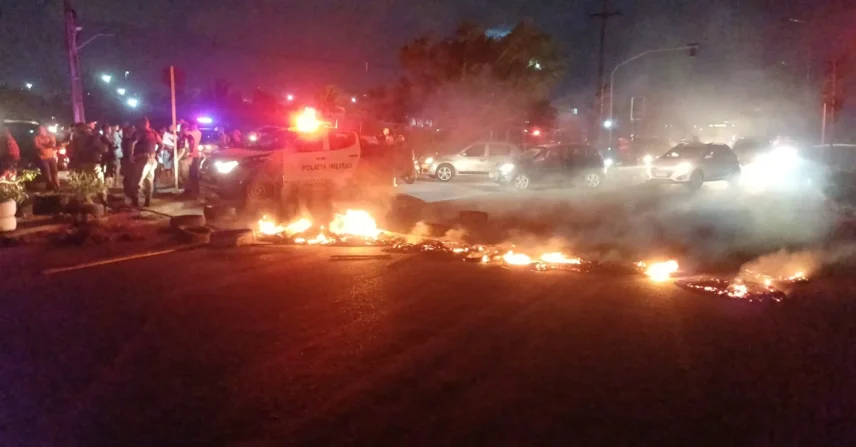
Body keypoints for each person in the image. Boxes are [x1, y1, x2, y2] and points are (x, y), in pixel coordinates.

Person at [128, 117, 162, 207]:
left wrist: (130, 155)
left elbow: (132, 143)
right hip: (152, 159)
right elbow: (162, 144)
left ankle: (135, 202)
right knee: (149, 180)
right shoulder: (154, 133)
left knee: (137, 181)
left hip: (143, 159)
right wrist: (157, 153)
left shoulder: (139, 132)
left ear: (141, 123)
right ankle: (148, 201)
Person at [34, 125, 59, 190]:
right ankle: (51, 186)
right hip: (43, 158)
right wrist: (47, 145)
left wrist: (43, 145)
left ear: (45, 130)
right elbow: (37, 146)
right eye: (39, 130)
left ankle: (57, 185)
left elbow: (53, 144)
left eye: (42, 129)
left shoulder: (50, 136)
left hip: (51, 156)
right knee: (47, 173)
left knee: (55, 172)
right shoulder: (37, 138)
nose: (40, 131)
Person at [183, 123, 203, 197]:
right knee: (191, 174)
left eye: (192, 126)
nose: (191, 127)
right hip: (193, 155)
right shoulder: (194, 133)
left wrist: (184, 128)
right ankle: (192, 190)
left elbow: (186, 133)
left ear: (196, 126)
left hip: (194, 155)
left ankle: (196, 192)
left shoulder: (197, 133)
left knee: (194, 174)